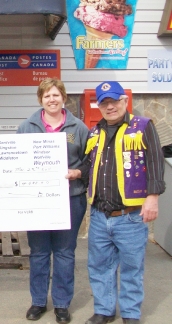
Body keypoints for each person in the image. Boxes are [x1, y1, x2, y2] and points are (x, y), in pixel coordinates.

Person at [84, 81, 165, 324]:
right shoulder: (94, 132)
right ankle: (104, 310)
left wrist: (152, 198)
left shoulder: (143, 127)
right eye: (104, 103)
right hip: (99, 215)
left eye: (114, 101)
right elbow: (88, 166)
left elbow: (155, 163)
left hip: (129, 215)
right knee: (100, 267)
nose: (110, 107)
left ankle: (130, 313)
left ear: (125, 101)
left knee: (132, 268)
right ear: (99, 106)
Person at [17, 78, 89, 323]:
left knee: (64, 252)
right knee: (38, 252)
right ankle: (38, 302)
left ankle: (61, 304)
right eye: (47, 96)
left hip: (71, 198)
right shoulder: (27, 127)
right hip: (37, 200)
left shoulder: (78, 128)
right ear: (40, 100)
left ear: (64, 98)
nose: (52, 99)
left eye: (56, 95)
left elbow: (90, 161)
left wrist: (78, 173)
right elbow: (15, 160)